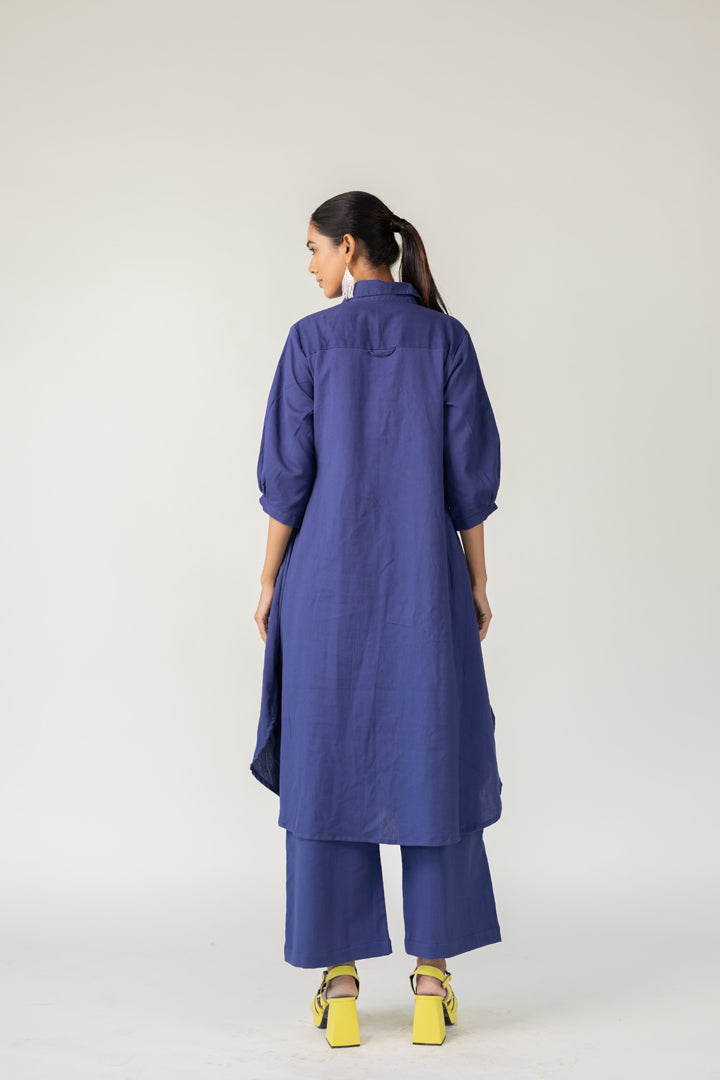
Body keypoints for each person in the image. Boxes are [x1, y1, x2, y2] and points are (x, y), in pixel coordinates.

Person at [250, 190, 503, 1047]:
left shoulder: (310, 342)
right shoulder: (447, 340)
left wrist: (268, 578)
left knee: (327, 764)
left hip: (326, 589)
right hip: (425, 586)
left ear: (351, 249)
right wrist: (476, 582)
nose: (311, 265)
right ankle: (432, 985)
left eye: (315, 249)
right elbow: (470, 483)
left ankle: (341, 987)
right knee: (433, 758)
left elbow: (287, 480)